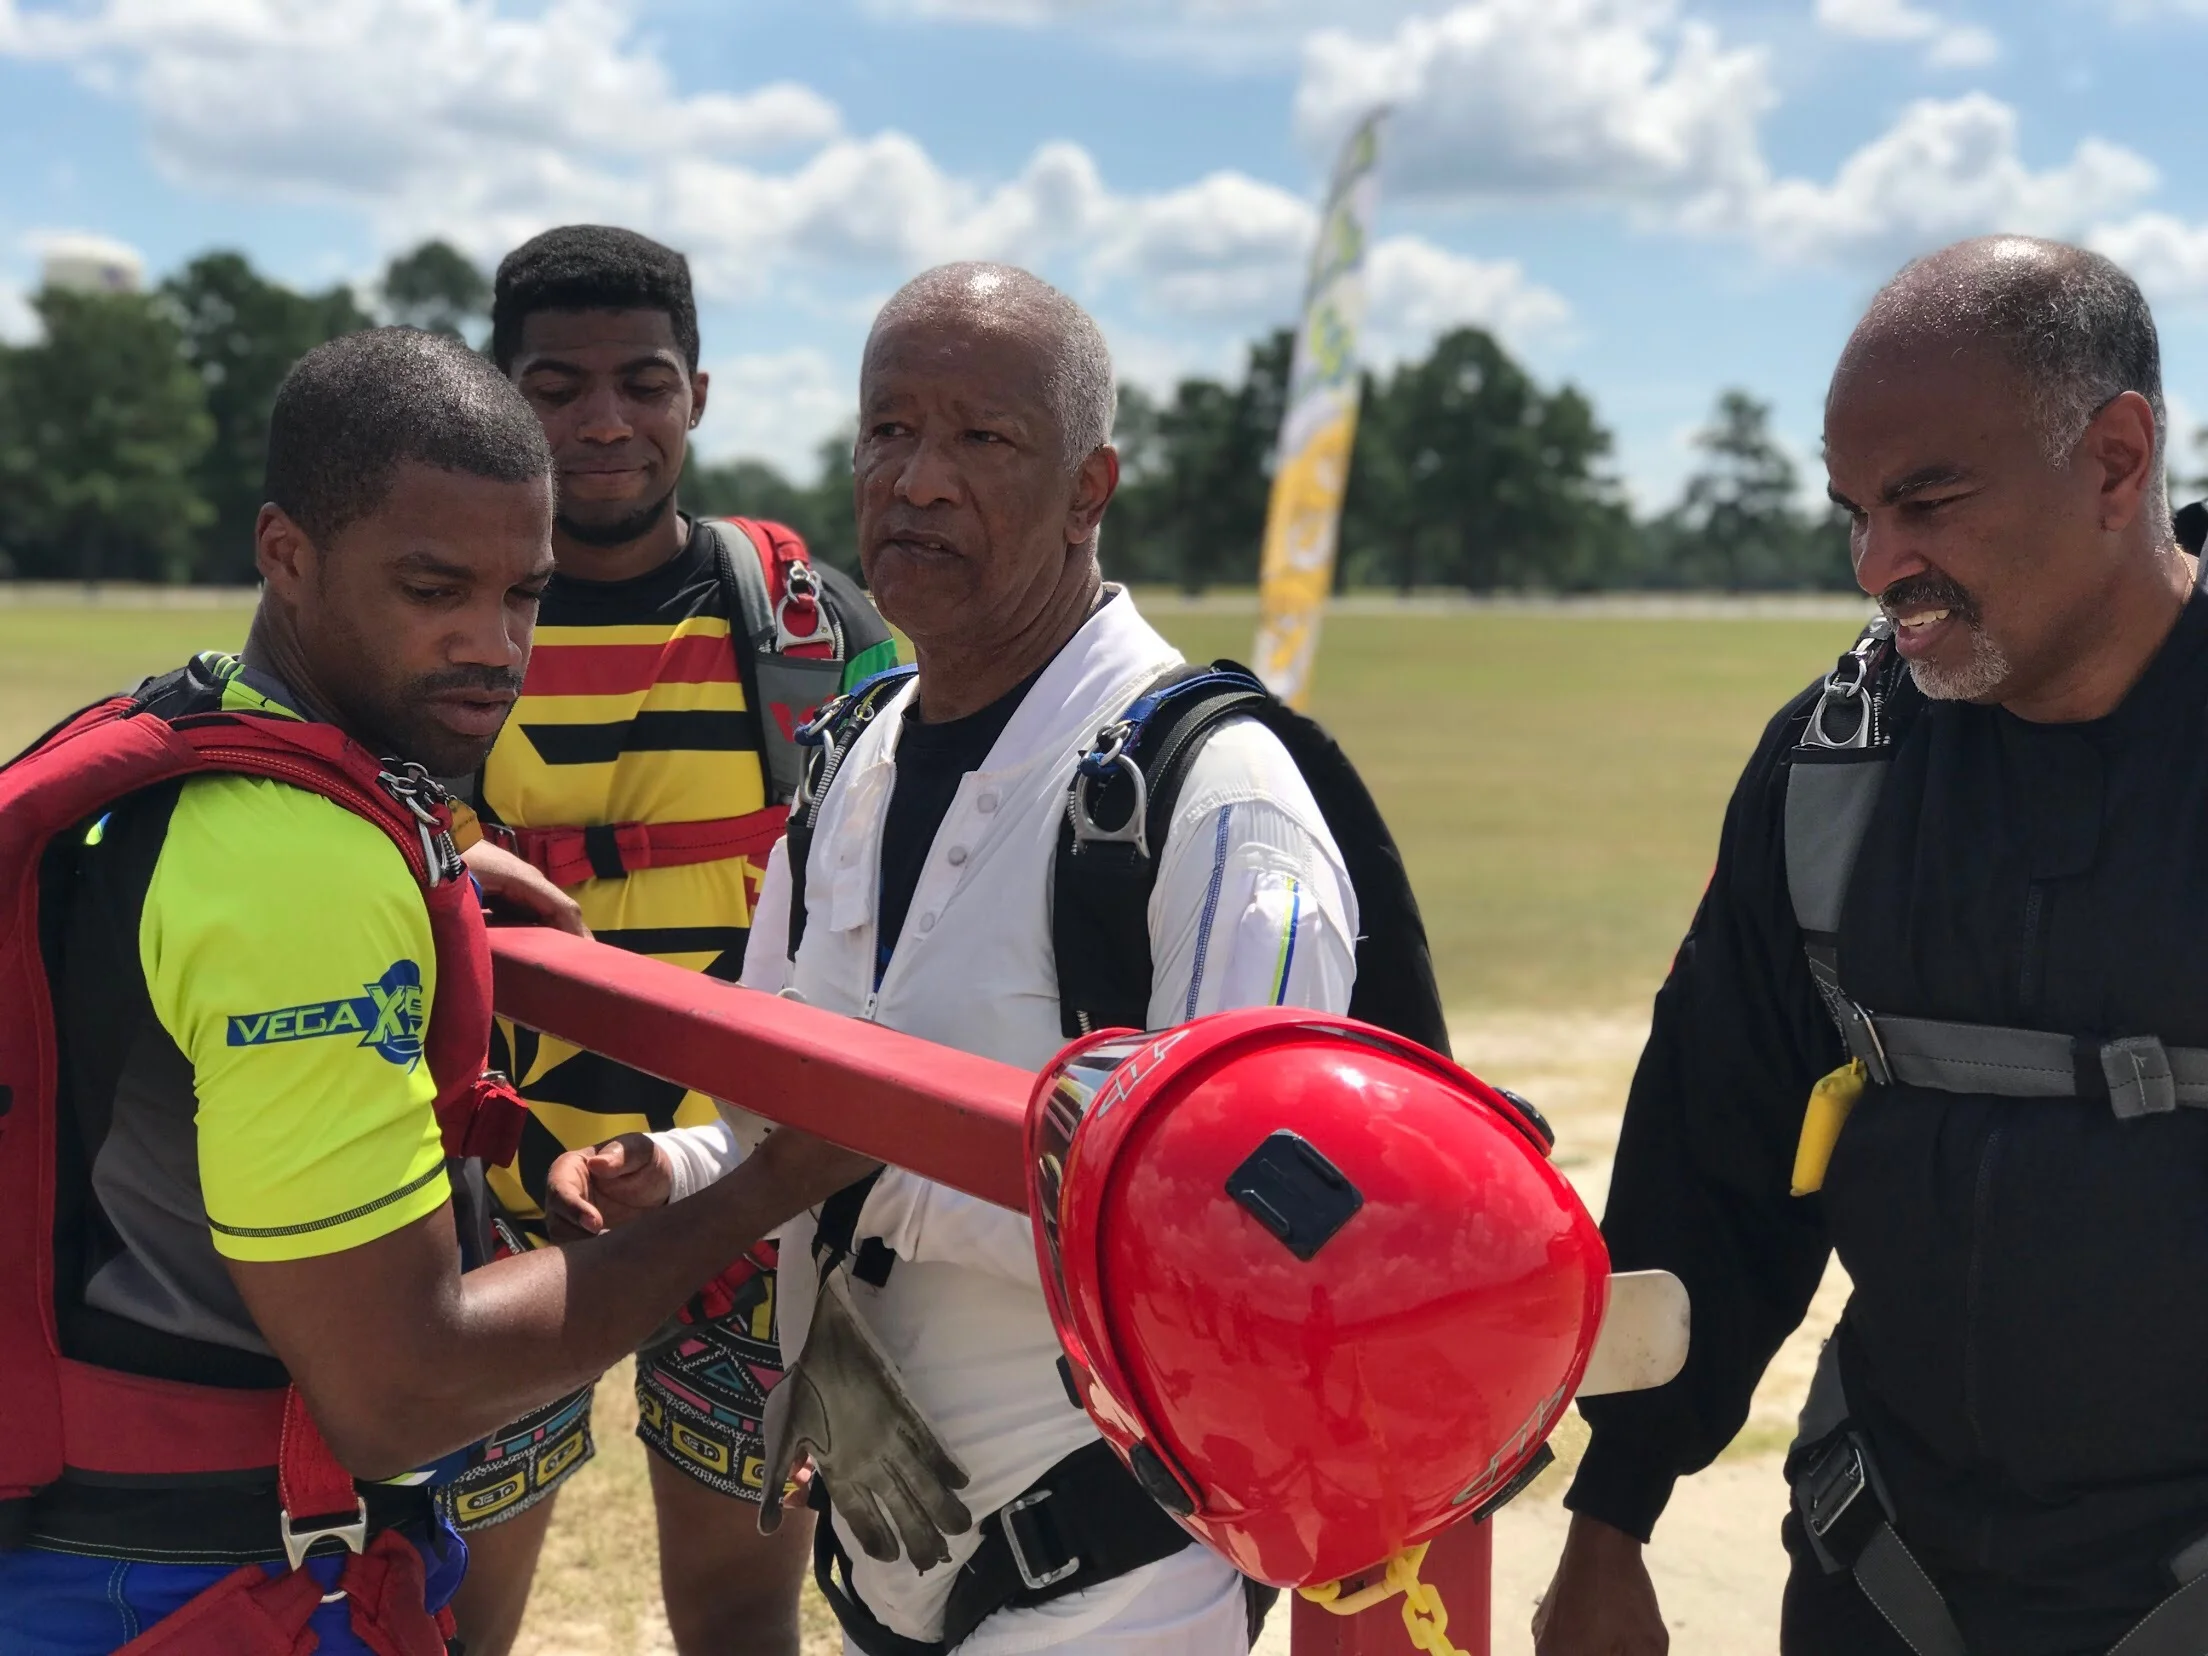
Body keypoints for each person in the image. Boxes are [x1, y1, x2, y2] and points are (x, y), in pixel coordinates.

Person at [0, 326, 874, 1654]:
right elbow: (407, 1388)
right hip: (178, 1585)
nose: (492, 645)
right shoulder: (300, 870)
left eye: (522, 593)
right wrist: (764, 1186)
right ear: (285, 553)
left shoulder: (182, 733)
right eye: (431, 588)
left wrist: (441, 888)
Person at [548, 261, 1361, 1655]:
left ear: (1089, 488)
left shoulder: (1214, 799)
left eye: (984, 440)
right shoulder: (848, 761)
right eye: (888, 431)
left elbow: (1256, 1230)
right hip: (878, 1568)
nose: (918, 480)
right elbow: (779, 1099)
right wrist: (684, 1171)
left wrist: (855, 1171)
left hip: (1115, 1584)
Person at [1535, 238, 2208, 1656]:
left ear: (2115, 460)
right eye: (1853, 510)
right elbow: (1712, 1160)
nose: (1876, 565)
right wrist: (1614, 1517)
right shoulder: (1835, 768)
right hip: (1886, 1590)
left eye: (1927, 502)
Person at [444, 224, 897, 1656]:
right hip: (497, 1212)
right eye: (554, 387)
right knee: (453, 1615)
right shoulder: (429, 621)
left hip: (747, 1208)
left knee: (736, 1616)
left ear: (698, 391)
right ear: (498, 398)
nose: (604, 423)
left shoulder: (813, 631)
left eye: (642, 382)